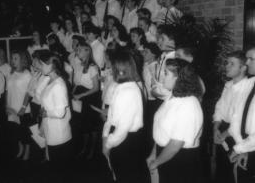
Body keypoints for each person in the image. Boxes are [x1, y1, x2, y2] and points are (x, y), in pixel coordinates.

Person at [147, 58, 204, 183]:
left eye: (166, 73)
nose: (162, 76)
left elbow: (176, 144)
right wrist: (153, 153)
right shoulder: (172, 97)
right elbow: (163, 132)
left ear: (178, 78)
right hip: (166, 154)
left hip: (180, 159)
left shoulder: (189, 104)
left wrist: (156, 162)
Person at [102, 48, 149, 183]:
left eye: (113, 66)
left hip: (127, 140)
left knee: (127, 175)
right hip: (118, 136)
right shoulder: (121, 86)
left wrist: (108, 143)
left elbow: (123, 128)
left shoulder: (129, 91)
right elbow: (110, 115)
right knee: (119, 173)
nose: (111, 68)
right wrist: (105, 136)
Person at [212, 51, 248, 183]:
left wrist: (225, 134)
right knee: (222, 171)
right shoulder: (228, 85)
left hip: (238, 134)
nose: (227, 66)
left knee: (235, 173)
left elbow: (240, 117)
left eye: (232, 64)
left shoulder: (248, 89)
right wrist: (216, 128)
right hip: (223, 128)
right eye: (227, 63)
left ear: (243, 67)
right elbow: (219, 108)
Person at [39, 51, 72, 166]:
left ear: (52, 65)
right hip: (50, 129)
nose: (39, 66)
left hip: (59, 133)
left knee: (59, 169)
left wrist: (45, 114)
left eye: (42, 64)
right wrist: (43, 125)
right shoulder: (49, 80)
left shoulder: (59, 85)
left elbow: (60, 112)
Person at [228, 47, 255, 182]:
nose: (247, 62)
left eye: (251, 59)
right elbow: (237, 116)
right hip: (247, 147)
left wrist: (240, 148)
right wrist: (243, 148)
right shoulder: (249, 84)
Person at [72, 42, 101, 159]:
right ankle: (84, 147)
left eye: (80, 50)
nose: (77, 51)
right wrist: (72, 93)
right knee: (82, 125)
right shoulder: (78, 65)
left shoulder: (93, 67)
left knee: (91, 126)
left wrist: (81, 95)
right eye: (77, 50)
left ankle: (92, 150)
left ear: (87, 51)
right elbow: (76, 83)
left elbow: (96, 88)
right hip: (79, 97)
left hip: (90, 98)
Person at [6, 50, 32, 161]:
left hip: (22, 109)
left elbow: (29, 92)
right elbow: (7, 91)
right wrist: (6, 105)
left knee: (25, 132)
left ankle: (27, 151)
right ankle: (20, 149)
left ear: (22, 60)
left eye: (16, 58)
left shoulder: (27, 74)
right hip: (11, 108)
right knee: (16, 132)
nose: (13, 61)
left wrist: (23, 107)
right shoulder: (10, 73)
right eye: (12, 58)